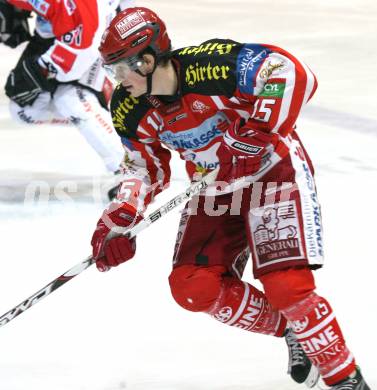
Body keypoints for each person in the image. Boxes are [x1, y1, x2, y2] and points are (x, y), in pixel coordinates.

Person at [90, 7, 370, 389]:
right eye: (111, 72)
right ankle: (293, 328)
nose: (118, 81)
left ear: (149, 59)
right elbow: (143, 170)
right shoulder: (128, 108)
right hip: (214, 187)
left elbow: (290, 73)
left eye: (120, 69)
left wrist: (254, 134)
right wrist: (121, 216)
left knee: (287, 287)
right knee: (191, 286)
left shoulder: (212, 66)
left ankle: (346, 380)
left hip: (274, 174)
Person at [0, 0, 134, 198]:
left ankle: (132, 170)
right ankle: (97, 113)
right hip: (60, 31)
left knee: (71, 99)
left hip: (100, 33)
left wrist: (43, 68)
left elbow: (86, 45)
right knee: (24, 111)